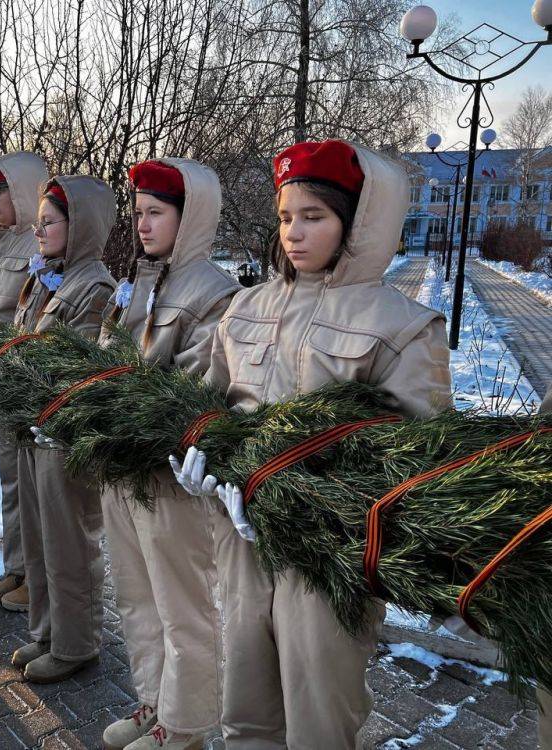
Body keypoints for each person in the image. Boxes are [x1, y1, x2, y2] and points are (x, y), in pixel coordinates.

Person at [174, 140, 452, 748]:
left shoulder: (399, 325)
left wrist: (318, 500)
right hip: (243, 543)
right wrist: (206, 463)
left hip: (331, 561)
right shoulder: (245, 308)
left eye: (314, 217)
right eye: (285, 217)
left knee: (319, 716)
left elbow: (420, 466)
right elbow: (213, 404)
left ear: (359, 223)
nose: (294, 233)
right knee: (245, 711)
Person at [99, 159, 239, 750]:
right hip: (120, 463)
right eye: (138, 213)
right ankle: (154, 703)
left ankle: (184, 727)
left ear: (192, 217)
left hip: (167, 473)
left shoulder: (215, 292)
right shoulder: (143, 280)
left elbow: (193, 388)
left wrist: (116, 401)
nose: (143, 225)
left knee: (181, 607)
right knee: (135, 595)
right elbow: (106, 356)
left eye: (157, 213)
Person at [12, 175, 116, 683]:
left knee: (69, 542)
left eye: (49, 223)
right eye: (38, 223)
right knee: (39, 539)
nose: (40, 232)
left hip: (63, 436)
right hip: (34, 428)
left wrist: (19, 370)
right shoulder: (47, 276)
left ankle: (77, 643)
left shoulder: (93, 284)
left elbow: (76, 365)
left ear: (80, 227)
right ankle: (48, 630)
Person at [0, 151, 49, 611]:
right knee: (10, 483)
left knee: (30, 488)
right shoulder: (7, 243)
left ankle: (35, 577)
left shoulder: (39, 243)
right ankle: (17, 567)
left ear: (22, 191)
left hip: (22, 382)